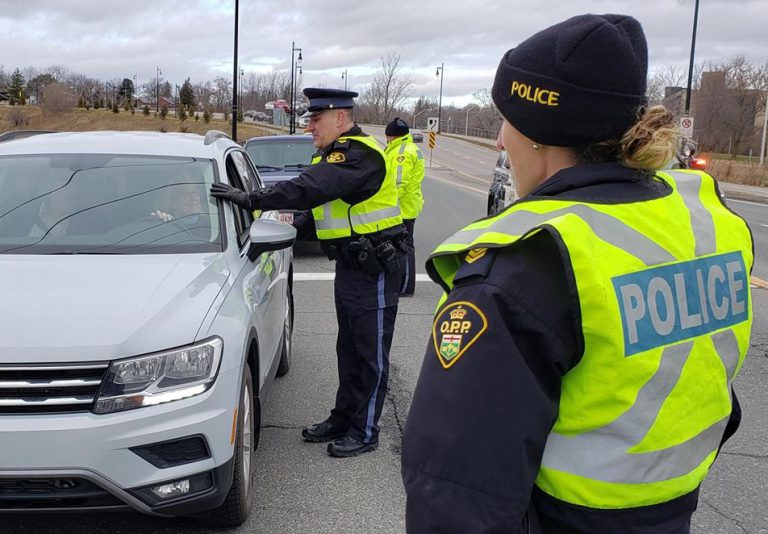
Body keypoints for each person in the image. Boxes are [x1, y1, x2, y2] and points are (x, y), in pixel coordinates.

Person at [401, 14, 753, 533]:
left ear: (541, 134)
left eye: (507, 121)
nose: (500, 142)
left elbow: (458, 494)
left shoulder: (529, 263)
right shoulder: (710, 225)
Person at [211, 88, 405, 458]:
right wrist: (287, 230)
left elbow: (312, 189)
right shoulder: (337, 154)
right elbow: (324, 212)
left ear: (340, 118)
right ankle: (342, 417)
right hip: (352, 266)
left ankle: (365, 431)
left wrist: (253, 199)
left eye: (316, 120)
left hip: (375, 268)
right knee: (348, 349)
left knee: (370, 354)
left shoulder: (359, 154)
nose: (310, 127)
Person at [384, 117, 425, 297]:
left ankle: (406, 286)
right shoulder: (408, 149)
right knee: (402, 245)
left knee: (405, 246)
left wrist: (388, 204)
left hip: (402, 207)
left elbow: (399, 183)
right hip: (407, 205)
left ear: (392, 136)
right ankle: (402, 284)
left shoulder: (401, 153)